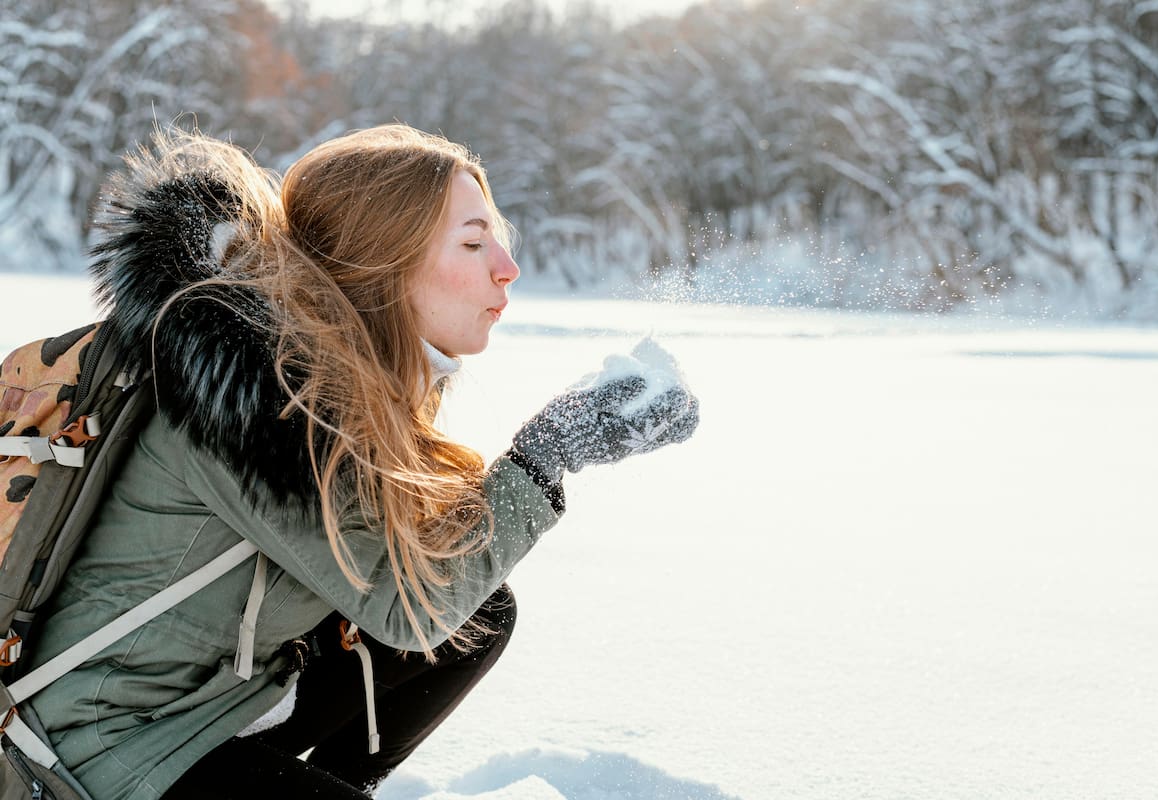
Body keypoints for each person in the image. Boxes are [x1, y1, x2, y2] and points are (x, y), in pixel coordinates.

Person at [23, 124, 699, 800]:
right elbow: (408, 604)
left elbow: (425, 568)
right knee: (442, 615)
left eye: (497, 237)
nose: (506, 267)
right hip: (101, 745)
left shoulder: (347, 373)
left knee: (480, 614)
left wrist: (568, 441)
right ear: (382, 264)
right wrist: (546, 455)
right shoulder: (262, 397)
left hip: (217, 699)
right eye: (472, 243)